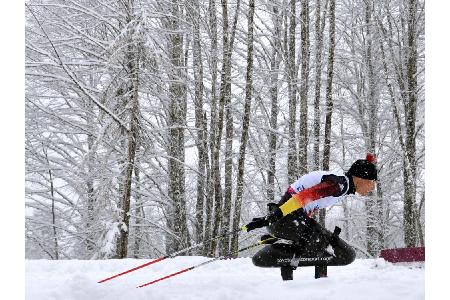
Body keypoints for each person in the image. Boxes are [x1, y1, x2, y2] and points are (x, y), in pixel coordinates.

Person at [242, 153, 377, 280]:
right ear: (361, 178)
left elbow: (303, 204)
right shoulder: (338, 185)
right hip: (288, 221)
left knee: (341, 252)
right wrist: (272, 218)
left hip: (290, 220)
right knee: (343, 253)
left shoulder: (342, 184)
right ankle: (288, 254)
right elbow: (301, 198)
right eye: (372, 182)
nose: (372, 187)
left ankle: (286, 243)